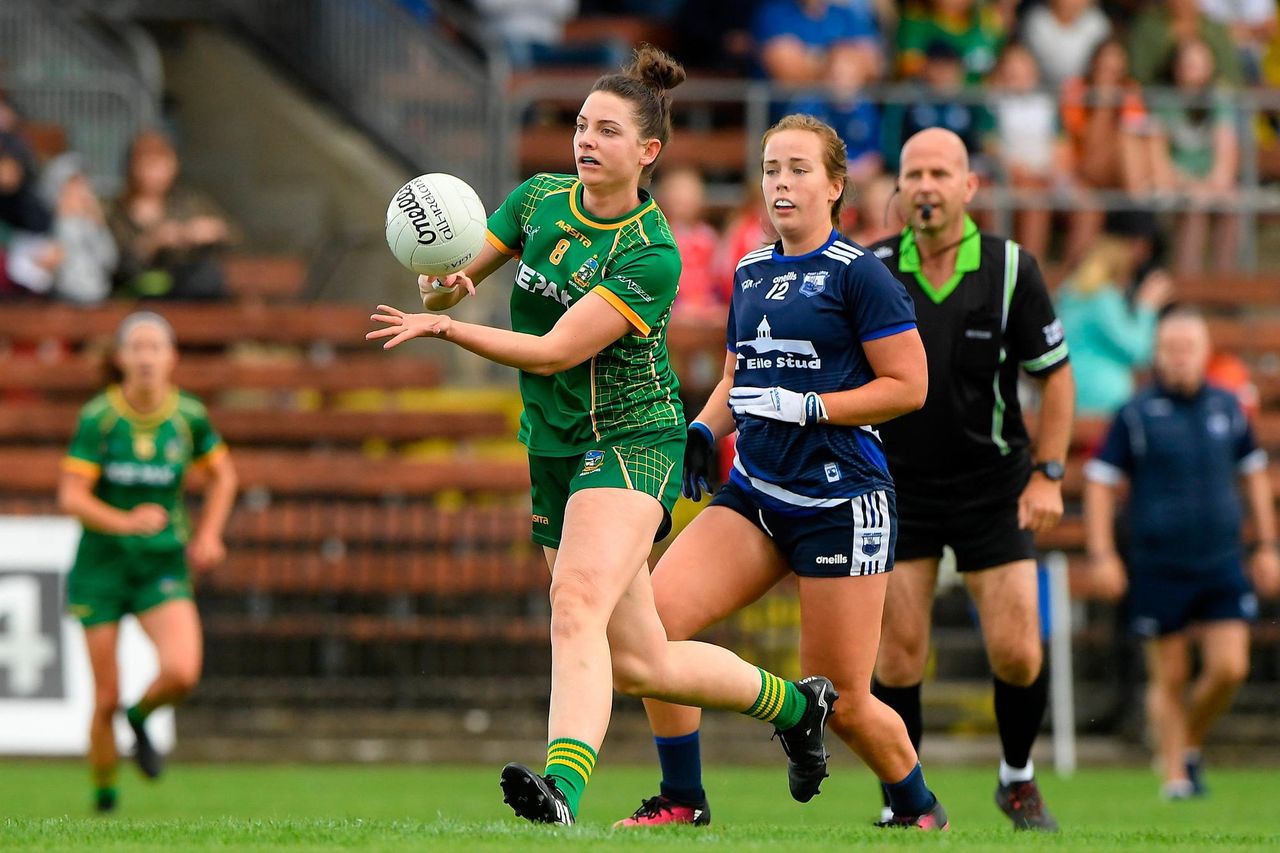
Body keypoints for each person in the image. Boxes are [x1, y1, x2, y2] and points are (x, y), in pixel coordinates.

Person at [366, 46, 838, 827]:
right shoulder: (539, 199)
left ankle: (563, 789)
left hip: (632, 437)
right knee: (643, 659)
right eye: (582, 125)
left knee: (574, 599)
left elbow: (555, 350)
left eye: (607, 130)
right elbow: (463, 271)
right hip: (552, 443)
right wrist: (440, 275)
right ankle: (795, 707)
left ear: (647, 151)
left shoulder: (651, 252)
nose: (586, 139)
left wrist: (448, 327)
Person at [613, 113, 948, 832]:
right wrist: (706, 427)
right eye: (770, 169)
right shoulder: (751, 269)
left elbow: (909, 385)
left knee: (845, 698)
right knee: (651, 632)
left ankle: (919, 809)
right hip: (757, 493)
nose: (781, 183)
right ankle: (682, 796)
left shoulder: (862, 275)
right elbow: (741, 376)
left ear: (834, 186)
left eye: (798, 169)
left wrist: (814, 405)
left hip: (842, 501)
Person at [868, 127, 1075, 831]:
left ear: (969, 186)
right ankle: (909, 801)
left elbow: (1056, 378)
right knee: (897, 653)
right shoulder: (868, 268)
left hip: (995, 484)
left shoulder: (1013, 267)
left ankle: (1016, 778)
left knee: (1019, 649)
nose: (925, 185)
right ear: (898, 188)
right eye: (913, 173)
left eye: (940, 172)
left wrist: (1048, 474)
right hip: (897, 485)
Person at [1084, 307, 1280, 800]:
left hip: (1220, 561)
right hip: (1157, 564)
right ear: (1156, 354)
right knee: (1169, 674)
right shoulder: (1137, 413)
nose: (1178, 358)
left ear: (1205, 353)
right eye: (1169, 349)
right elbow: (1100, 483)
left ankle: (1186, 742)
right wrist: (1103, 552)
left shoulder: (1228, 406)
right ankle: (1174, 776)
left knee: (1229, 667)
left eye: (1187, 349)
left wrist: (1267, 545)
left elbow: (1254, 474)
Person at [56, 311, 237, 813]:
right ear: (120, 358)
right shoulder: (99, 418)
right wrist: (125, 521)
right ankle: (105, 800)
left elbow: (224, 477)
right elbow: (72, 497)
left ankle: (140, 721)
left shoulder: (189, 417)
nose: (146, 356)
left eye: (155, 347)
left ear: (172, 358)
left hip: (160, 565)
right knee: (105, 696)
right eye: (136, 347)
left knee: (182, 672)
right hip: (102, 569)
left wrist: (209, 534)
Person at [1150, 37, 1241, 277]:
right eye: (1187, 64)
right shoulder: (1163, 101)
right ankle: (1188, 287)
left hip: (1209, 184)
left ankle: (1225, 286)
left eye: (1197, 64)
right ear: (1175, 67)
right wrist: (1187, 185)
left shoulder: (1220, 100)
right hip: (1176, 184)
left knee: (1231, 207)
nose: (1190, 71)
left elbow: (1226, 157)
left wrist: (1211, 185)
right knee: (1194, 210)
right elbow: (1159, 159)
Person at [1055, 236, 1172, 416]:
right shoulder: (1102, 298)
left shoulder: (1067, 294)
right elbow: (1138, 352)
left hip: (1066, 394)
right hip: (1100, 400)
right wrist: (1147, 307)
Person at [108, 131, 232, 300]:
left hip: (186, 290)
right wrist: (151, 244)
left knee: (207, 277)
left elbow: (233, 237)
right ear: (133, 167)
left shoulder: (190, 203)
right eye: (150, 165)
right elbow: (112, 261)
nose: (157, 173)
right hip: (138, 291)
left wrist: (212, 231)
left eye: (163, 164)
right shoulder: (117, 211)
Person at [1019, 0, 1113, 90]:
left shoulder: (1098, 23)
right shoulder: (1036, 20)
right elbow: (1028, 62)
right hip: (1041, 90)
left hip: (1086, 92)